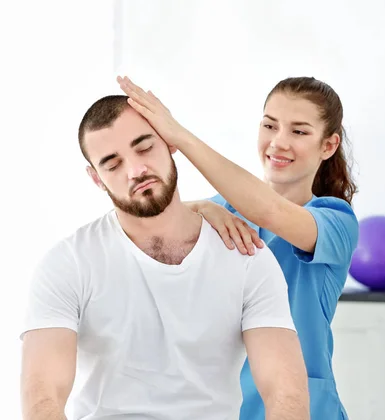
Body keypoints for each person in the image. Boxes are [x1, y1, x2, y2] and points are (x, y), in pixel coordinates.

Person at [19, 94, 311, 420]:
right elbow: (42, 395)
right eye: (113, 164)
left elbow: (285, 392)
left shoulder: (246, 257)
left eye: (144, 148)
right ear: (96, 178)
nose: (136, 170)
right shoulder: (69, 263)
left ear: (170, 145)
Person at [117, 75, 359, 420]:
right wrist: (201, 208)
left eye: (299, 131)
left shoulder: (336, 221)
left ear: (328, 145)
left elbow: (271, 211)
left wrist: (179, 136)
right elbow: (136, 232)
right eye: (269, 125)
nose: (279, 142)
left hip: (305, 408)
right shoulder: (219, 210)